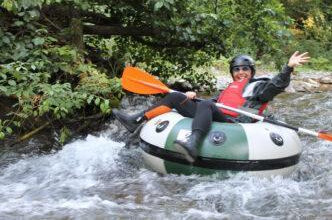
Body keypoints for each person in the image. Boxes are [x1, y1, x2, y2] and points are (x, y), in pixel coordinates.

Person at [112, 51, 310, 163]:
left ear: (252, 71)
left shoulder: (259, 86)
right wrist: (191, 97)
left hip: (237, 123)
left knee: (206, 104)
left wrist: (288, 67)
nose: (241, 72)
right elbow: (214, 104)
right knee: (176, 97)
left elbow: (276, 86)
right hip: (218, 115)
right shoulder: (228, 88)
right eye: (237, 69)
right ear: (233, 73)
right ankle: (135, 120)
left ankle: (193, 143)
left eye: (245, 69)